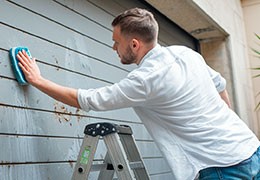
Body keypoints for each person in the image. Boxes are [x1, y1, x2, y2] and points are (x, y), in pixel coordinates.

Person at [17, 7, 260, 180]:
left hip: (221, 168)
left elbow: (86, 99)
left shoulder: (146, 79)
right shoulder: (186, 53)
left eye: (116, 41)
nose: (114, 47)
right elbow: (221, 85)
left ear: (134, 44)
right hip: (249, 148)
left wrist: (37, 80)